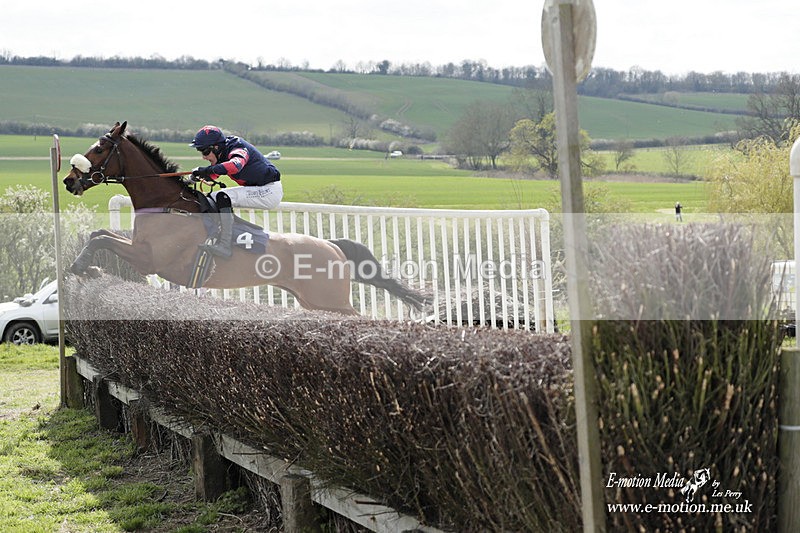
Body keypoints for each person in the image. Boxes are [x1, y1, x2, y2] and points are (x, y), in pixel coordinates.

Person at [189, 125, 283, 258]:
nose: (204, 157)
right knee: (212, 197)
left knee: (222, 196)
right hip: (258, 188)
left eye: (204, 151)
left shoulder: (237, 146)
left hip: (269, 191)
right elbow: (214, 174)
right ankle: (218, 235)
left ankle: (225, 245)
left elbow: (235, 165)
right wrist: (193, 179)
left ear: (216, 147)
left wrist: (207, 170)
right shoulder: (221, 153)